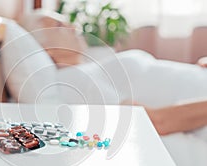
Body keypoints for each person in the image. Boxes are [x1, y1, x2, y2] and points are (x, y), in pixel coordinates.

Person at [18, 10, 207, 135]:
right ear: (46, 49)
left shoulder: (93, 67)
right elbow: (154, 122)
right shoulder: (75, 80)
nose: (74, 27)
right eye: (60, 26)